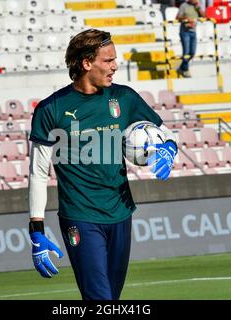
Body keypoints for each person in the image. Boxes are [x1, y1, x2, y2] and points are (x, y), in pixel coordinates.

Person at [27, 29, 178, 300]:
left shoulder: (124, 97)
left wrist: (169, 148)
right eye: (108, 61)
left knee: (111, 298)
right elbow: (38, 173)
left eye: (115, 60)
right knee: (100, 299)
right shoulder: (51, 109)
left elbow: (165, 132)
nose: (115, 66)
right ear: (87, 63)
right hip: (80, 216)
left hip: (121, 213)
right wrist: (36, 229)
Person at [176, 0, 204, 78]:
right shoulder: (183, 5)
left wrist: (198, 8)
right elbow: (178, 17)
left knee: (192, 53)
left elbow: (204, 16)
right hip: (185, 32)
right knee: (186, 53)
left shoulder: (196, 6)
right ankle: (185, 70)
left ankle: (181, 68)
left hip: (193, 32)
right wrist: (186, 18)